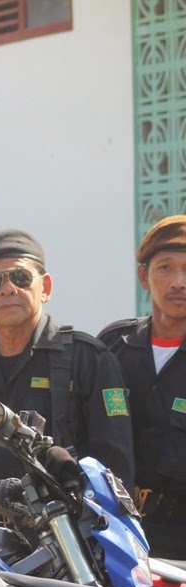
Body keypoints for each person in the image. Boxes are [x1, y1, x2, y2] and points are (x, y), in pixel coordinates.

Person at [0, 229, 134, 539]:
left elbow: (115, 473)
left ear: (45, 287)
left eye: (20, 277)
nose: (8, 289)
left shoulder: (87, 360)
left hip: (68, 550)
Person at [99, 216, 186, 559]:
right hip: (119, 535)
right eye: (165, 268)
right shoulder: (112, 345)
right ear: (143, 277)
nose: (178, 282)